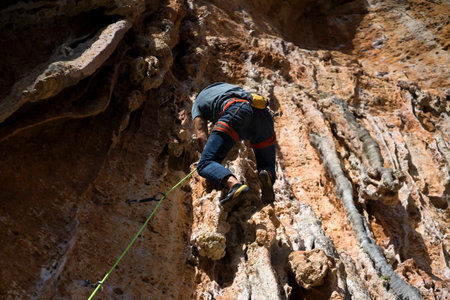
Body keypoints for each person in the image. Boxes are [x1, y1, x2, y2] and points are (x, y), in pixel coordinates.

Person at [192, 82, 276, 212]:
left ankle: (234, 185)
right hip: (263, 114)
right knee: (267, 164)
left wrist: (209, 158)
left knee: (205, 164)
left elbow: (200, 136)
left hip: (236, 110)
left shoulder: (198, 102)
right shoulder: (229, 88)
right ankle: (267, 174)